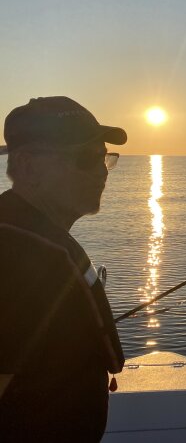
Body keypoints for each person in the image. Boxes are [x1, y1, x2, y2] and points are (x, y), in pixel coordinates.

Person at [0, 97, 126, 441]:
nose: (101, 170)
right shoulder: (17, 259)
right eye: (85, 158)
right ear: (27, 166)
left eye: (103, 158)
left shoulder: (30, 239)